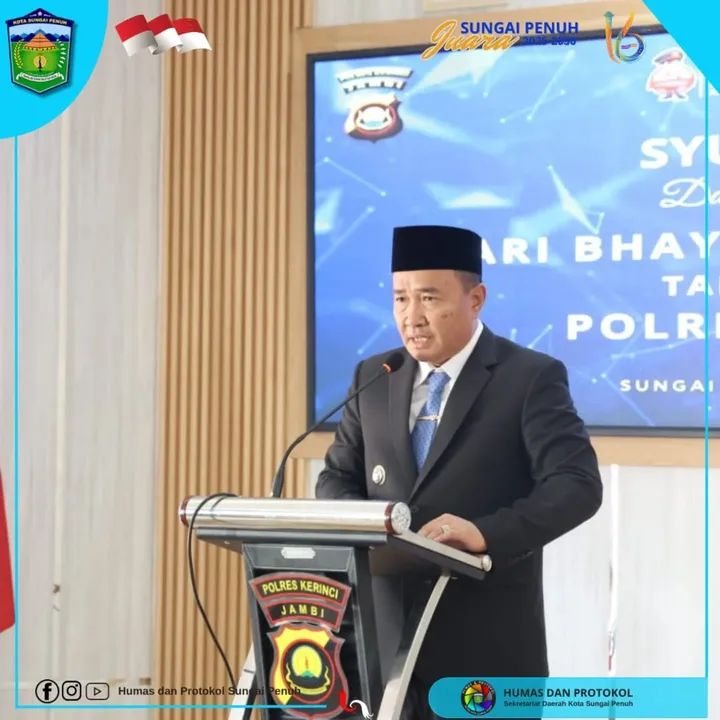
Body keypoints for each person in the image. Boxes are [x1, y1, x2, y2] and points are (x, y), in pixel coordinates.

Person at [315, 225, 602, 718]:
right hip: (380, 649)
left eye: (429, 298)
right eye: (400, 298)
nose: (412, 316)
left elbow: (576, 485)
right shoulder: (375, 376)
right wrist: (370, 527)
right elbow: (335, 478)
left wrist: (485, 533)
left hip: (485, 648)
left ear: (476, 299)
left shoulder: (528, 377)